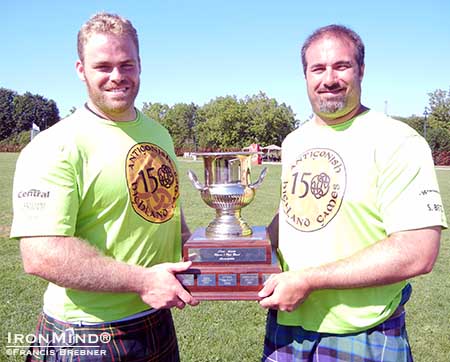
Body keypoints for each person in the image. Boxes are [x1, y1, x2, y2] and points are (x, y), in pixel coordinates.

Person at [11, 12, 198, 361]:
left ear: (140, 64)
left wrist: (222, 259)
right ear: (81, 70)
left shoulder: (159, 134)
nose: (117, 76)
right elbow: (41, 255)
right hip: (83, 332)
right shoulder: (55, 145)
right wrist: (143, 281)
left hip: (156, 320)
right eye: (103, 66)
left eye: (126, 64)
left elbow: (170, 215)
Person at [258, 24, 447, 361]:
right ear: (305, 76)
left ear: (361, 70)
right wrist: (240, 248)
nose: (328, 78)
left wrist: (309, 280)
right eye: (318, 68)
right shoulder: (295, 141)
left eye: (341, 66)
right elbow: (294, 213)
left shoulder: (398, 141)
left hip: (362, 333)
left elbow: (418, 251)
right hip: (287, 331)